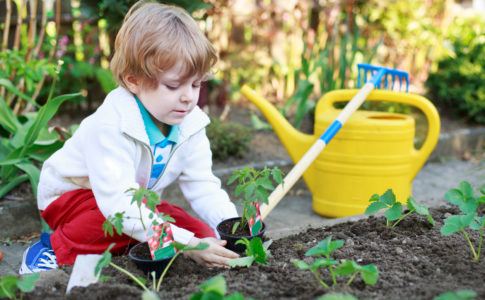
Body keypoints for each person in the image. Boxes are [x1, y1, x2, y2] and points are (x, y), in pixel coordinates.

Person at [19, 0, 240, 274]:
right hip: (74, 199)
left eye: (195, 84)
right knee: (121, 225)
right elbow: (117, 206)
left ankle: (132, 244)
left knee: (200, 232)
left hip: (134, 200)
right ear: (133, 80)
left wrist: (231, 225)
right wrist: (188, 245)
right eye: (173, 85)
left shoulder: (190, 123)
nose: (188, 97)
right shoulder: (112, 123)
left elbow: (202, 185)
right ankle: (53, 247)